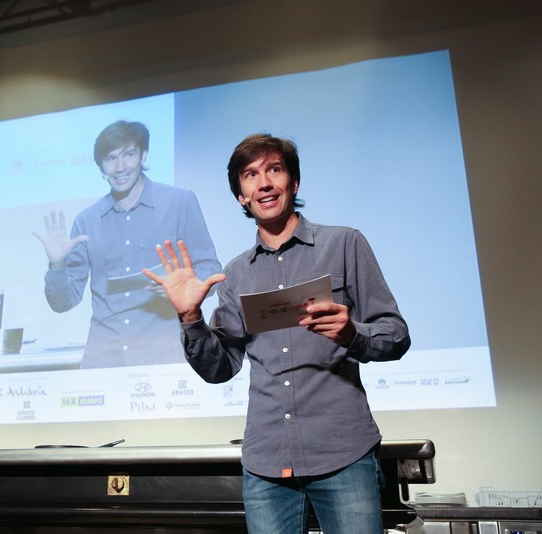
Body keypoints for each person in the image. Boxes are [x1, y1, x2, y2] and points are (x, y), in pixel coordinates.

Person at [143, 134, 410, 534]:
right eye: (250, 175)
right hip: (266, 463)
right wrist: (190, 317)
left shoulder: (344, 244)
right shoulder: (236, 274)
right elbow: (220, 368)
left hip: (343, 453)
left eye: (274, 170)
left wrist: (353, 334)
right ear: (241, 196)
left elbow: (396, 334)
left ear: (293, 182)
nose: (264, 183)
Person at [34, 120, 221, 368]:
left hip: (163, 357)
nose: (120, 167)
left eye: (129, 154)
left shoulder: (180, 203)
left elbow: (209, 269)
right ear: (101, 166)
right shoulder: (86, 221)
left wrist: (184, 286)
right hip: (103, 362)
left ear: (143, 155)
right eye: (110, 158)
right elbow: (62, 303)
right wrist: (57, 265)